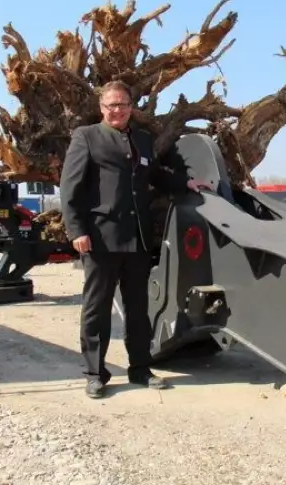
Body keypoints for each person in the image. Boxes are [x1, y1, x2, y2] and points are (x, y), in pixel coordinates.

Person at [60, 80, 211, 399]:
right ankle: (94, 373)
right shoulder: (86, 137)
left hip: (137, 238)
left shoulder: (142, 140)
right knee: (96, 309)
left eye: (123, 104)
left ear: (131, 107)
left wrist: (186, 183)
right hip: (100, 238)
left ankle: (140, 369)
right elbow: (70, 188)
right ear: (101, 108)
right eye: (111, 105)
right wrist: (77, 231)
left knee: (138, 309)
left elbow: (154, 176)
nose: (117, 110)